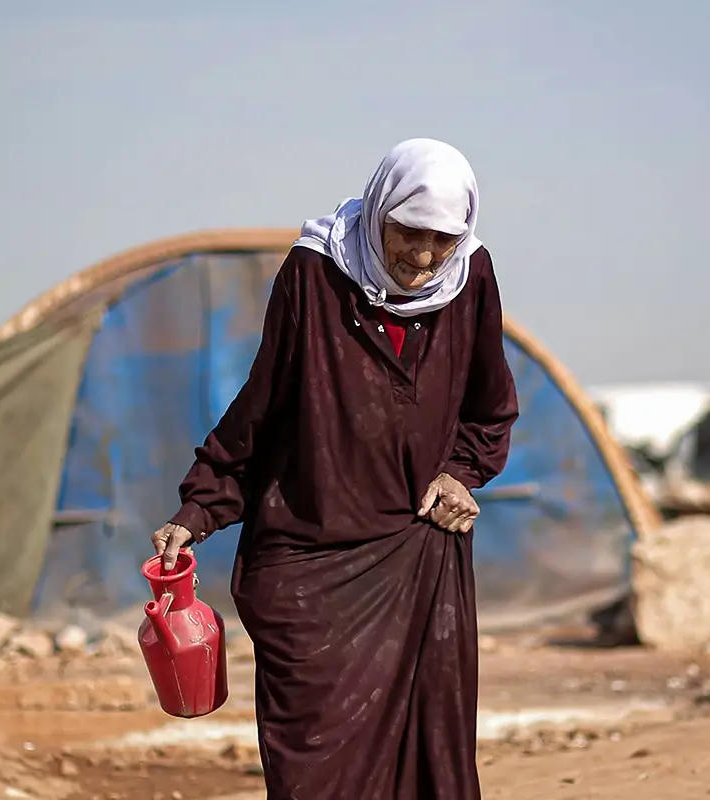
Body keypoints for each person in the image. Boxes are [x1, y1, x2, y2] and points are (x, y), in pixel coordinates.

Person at [151, 138, 518, 799]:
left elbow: (490, 409)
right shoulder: (315, 274)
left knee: (423, 763)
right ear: (380, 210)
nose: (425, 256)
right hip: (308, 565)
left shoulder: (469, 278)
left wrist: (462, 471)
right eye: (411, 232)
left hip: (417, 559)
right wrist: (201, 506)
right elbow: (264, 405)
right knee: (314, 771)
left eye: (444, 239)